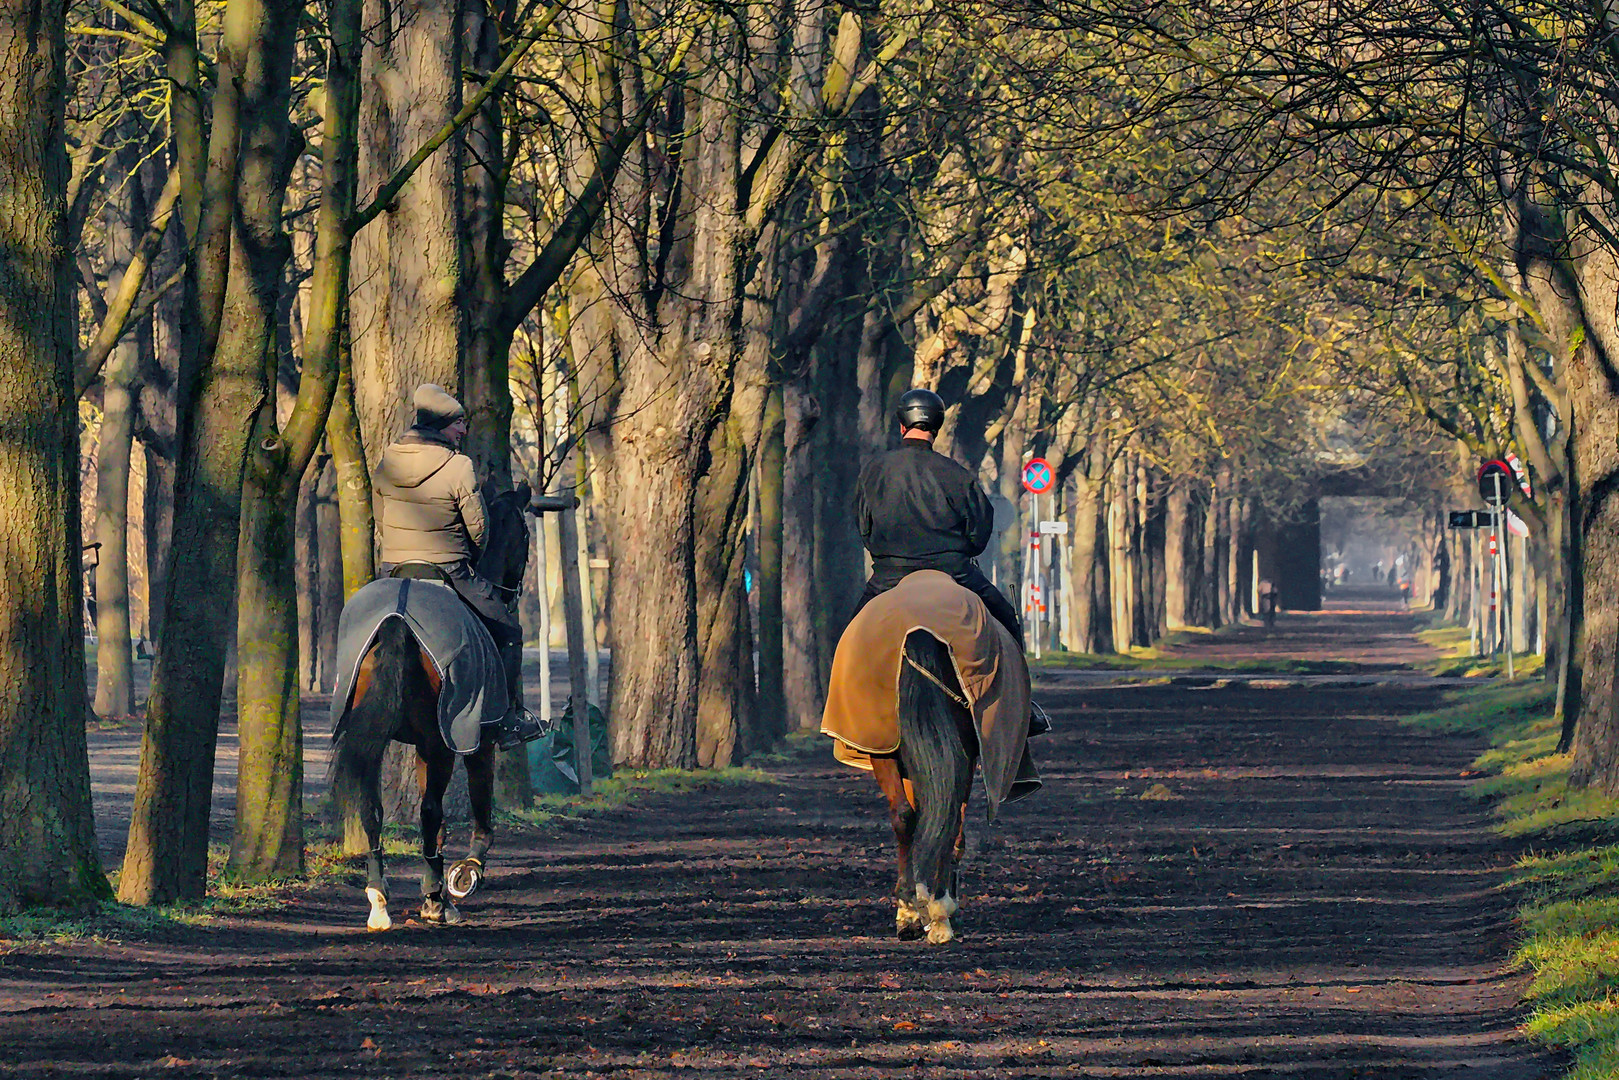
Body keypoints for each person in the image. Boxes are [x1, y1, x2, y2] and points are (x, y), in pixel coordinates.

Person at [852, 388, 1048, 733]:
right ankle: (1024, 710)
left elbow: (864, 528)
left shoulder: (873, 471)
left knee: (850, 639)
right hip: (954, 574)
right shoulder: (957, 475)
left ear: (901, 426)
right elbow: (978, 534)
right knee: (1007, 620)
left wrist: (887, 555)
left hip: (888, 578)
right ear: (937, 427)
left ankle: (843, 711)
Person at [373, 383, 545, 750]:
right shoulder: (458, 465)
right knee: (508, 628)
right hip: (449, 570)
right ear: (440, 426)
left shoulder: (387, 459)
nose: (463, 431)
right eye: (458, 424)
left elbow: (379, 517)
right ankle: (510, 720)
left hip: (393, 572)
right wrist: (471, 554)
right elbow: (479, 529)